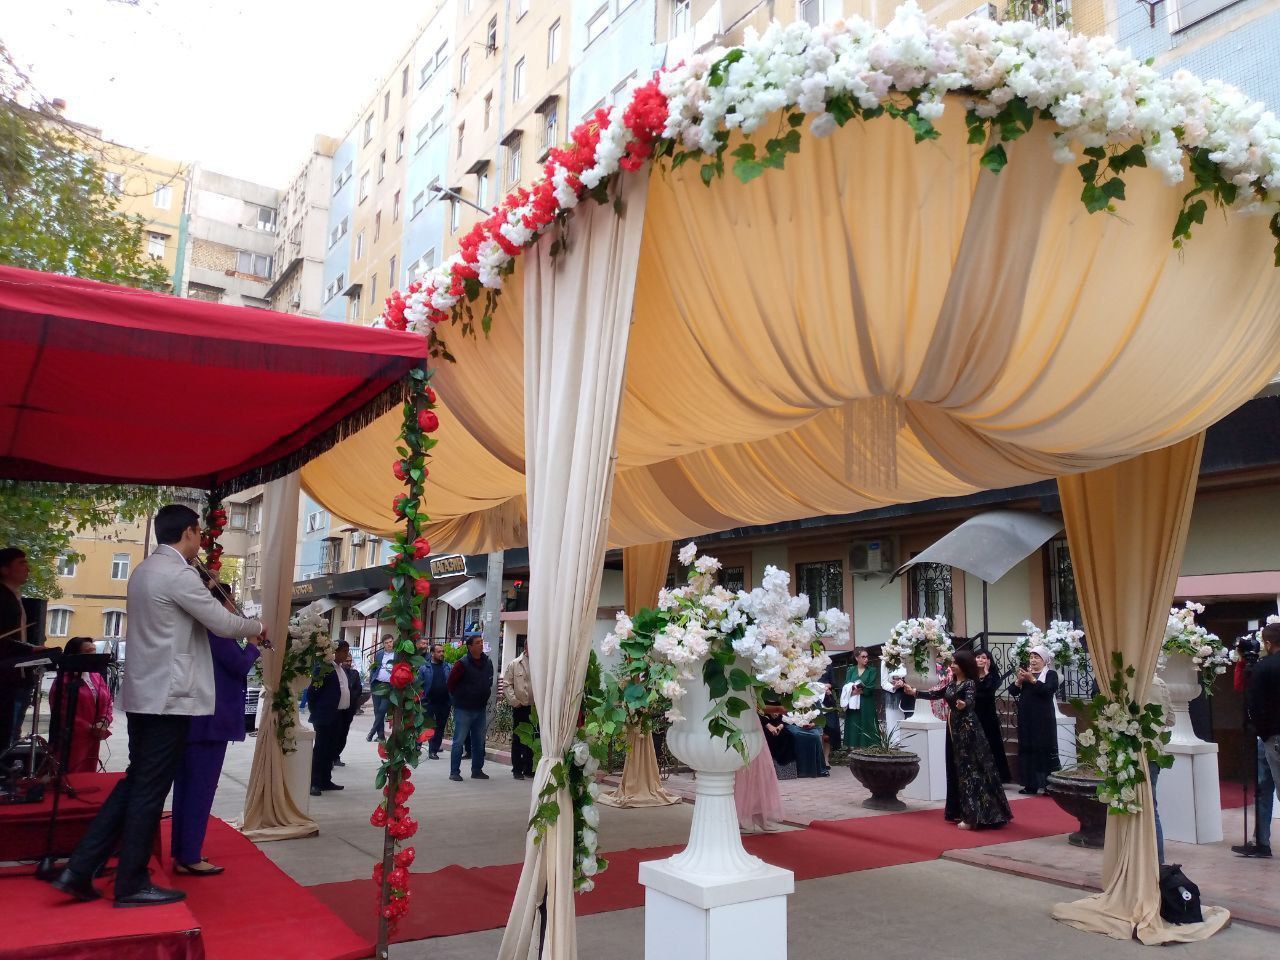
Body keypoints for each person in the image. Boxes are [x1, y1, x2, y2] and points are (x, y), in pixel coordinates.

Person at [54, 505, 265, 908]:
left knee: (137, 781)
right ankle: (130, 882)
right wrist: (257, 627)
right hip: (168, 698)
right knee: (149, 789)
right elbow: (222, 622)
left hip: (145, 694)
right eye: (199, 533)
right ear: (188, 532)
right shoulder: (178, 573)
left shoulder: (145, 571)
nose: (201, 540)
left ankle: (80, 869)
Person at [170, 577, 262, 875]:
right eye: (231, 601)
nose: (233, 608)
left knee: (186, 786)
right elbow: (238, 665)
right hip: (211, 718)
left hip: (192, 715)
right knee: (201, 787)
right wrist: (252, 645)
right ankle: (190, 854)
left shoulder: (194, 628)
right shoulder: (217, 631)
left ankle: (183, 849)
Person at [902, 650, 1012, 830]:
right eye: (951, 662)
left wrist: (964, 704)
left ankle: (973, 816)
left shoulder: (969, 683)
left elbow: (970, 700)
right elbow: (936, 694)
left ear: (963, 666)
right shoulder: (953, 683)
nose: (951, 665)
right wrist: (915, 693)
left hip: (968, 729)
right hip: (953, 728)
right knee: (956, 768)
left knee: (969, 769)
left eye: (955, 663)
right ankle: (959, 810)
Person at [1238, 622, 1280, 859]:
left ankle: (1262, 842)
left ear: (1267, 643)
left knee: (1264, 788)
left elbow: (1254, 706)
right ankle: (1261, 841)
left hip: (1272, 736)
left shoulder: (1264, 668)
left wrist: (1263, 733)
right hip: (1272, 734)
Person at [0, 547, 47, 750]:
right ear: (4, 569)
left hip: (17, 675)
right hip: (5, 676)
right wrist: (30, 650)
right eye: (21, 563)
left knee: (10, 733)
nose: (27, 568)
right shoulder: (2, 598)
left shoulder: (15, 597)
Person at [48, 637, 113, 774]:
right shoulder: (63, 681)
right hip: (73, 738)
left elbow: (107, 701)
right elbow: (61, 712)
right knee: (72, 774)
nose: (93, 656)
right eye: (88, 652)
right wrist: (88, 728)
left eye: (94, 651)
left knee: (88, 774)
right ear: (75, 655)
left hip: (94, 735)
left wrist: (103, 721)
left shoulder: (96, 676)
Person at [1009, 646, 1061, 795]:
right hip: (1026, 718)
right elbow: (1013, 692)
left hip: (1043, 719)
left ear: (1044, 660)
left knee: (1044, 748)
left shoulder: (1050, 674)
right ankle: (1030, 784)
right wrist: (1019, 681)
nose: (1033, 660)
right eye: (1031, 657)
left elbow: (1048, 691)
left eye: (1036, 657)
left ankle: (1048, 785)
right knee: (1027, 748)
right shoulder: (1026, 674)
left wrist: (1032, 679)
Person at [309, 640, 354, 796]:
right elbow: (313, 693)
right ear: (335, 652)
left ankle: (325, 779)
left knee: (332, 749)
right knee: (321, 749)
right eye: (344, 651)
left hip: (340, 715)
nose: (346, 654)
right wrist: (316, 711)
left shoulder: (342, 669)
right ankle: (314, 782)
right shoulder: (324, 668)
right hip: (325, 715)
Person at [447, 633, 493, 782]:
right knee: (459, 741)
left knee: (479, 741)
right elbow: (451, 684)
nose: (481, 644)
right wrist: (459, 699)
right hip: (464, 709)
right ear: (470, 646)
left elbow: (489, 680)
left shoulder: (487, 662)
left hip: (480, 708)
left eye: (482, 642)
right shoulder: (462, 664)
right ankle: (454, 771)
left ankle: (477, 770)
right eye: (478, 642)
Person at [735, 713, 785, 832]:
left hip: (753, 721)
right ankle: (739, 815)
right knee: (741, 769)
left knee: (761, 768)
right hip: (738, 719)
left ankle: (760, 813)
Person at [973, 650, 1012, 783]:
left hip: (988, 716)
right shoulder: (970, 677)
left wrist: (986, 672)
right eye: (977, 657)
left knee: (992, 745)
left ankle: (996, 776)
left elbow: (990, 690)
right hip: (973, 714)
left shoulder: (993, 676)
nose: (980, 660)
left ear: (989, 661)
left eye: (984, 658)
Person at [1147, 673, 1173, 865]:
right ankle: (1159, 861)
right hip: (1155, 750)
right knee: (1152, 807)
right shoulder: (1160, 683)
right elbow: (1171, 719)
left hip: (1136, 752)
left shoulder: (1133, 683)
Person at [502, 644, 534, 780]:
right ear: (526, 646)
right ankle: (517, 769)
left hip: (534, 708)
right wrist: (514, 701)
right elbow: (507, 684)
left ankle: (529, 767)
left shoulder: (539, 663)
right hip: (520, 706)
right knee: (518, 738)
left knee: (533, 738)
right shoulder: (515, 664)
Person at [841, 647, 879, 749]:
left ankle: (869, 749)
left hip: (866, 702)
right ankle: (853, 749)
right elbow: (846, 684)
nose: (866, 659)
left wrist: (861, 690)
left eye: (867, 657)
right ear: (857, 658)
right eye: (863, 657)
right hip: (853, 702)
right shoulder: (851, 670)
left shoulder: (872, 670)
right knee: (854, 723)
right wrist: (851, 690)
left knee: (867, 723)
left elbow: (871, 686)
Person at [332, 646, 363, 768]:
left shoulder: (354, 673)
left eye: (350, 661)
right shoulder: (336, 672)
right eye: (347, 661)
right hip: (336, 709)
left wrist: (351, 697)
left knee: (343, 734)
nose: (348, 663)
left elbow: (357, 689)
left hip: (349, 708)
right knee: (334, 734)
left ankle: (337, 756)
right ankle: (331, 756)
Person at [420, 643, 451, 760]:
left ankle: (433, 750)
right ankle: (418, 745)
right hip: (429, 702)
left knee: (440, 727)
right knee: (426, 725)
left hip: (444, 702)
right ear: (432, 653)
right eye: (439, 652)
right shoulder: (425, 668)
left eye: (443, 651)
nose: (442, 654)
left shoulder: (448, 667)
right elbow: (420, 685)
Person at [366, 635, 395, 741]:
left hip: (389, 686)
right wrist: (371, 679)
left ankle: (372, 732)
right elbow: (375, 667)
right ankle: (381, 736)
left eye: (391, 642)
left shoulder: (397, 655)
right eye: (387, 643)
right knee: (377, 710)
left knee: (382, 709)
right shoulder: (379, 654)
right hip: (377, 684)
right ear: (383, 644)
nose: (389, 644)